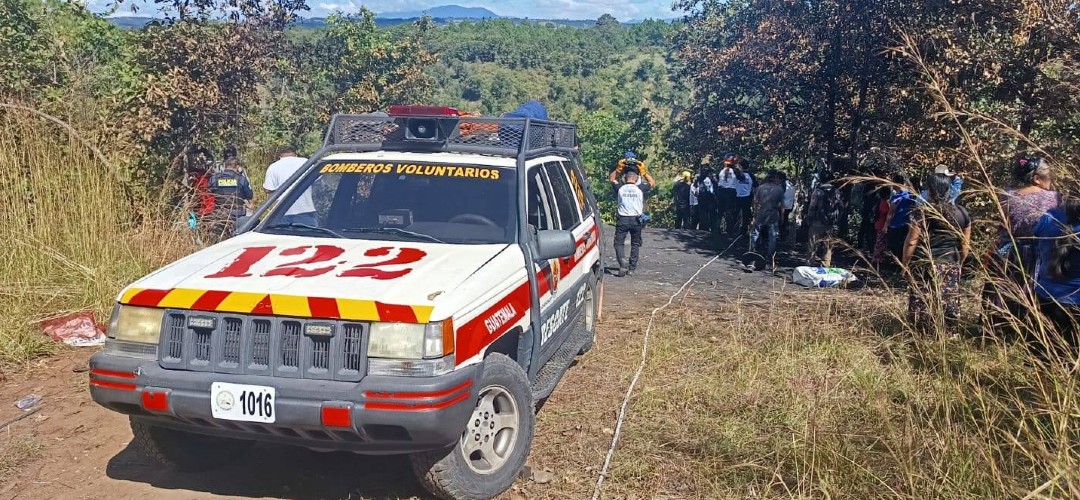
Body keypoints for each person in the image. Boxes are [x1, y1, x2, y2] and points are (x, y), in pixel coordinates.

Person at [902, 173, 972, 333]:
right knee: (948, 301)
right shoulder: (962, 213)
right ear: (949, 189)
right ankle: (949, 334)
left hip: (924, 263)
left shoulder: (922, 212)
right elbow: (965, 245)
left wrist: (905, 264)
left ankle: (920, 335)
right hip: (950, 262)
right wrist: (959, 262)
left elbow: (912, 241)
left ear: (930, 190)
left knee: (922, 300)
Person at [1032, 194, 1080, 356]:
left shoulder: (1049, 216)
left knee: (1045, 354)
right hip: (1075, 301)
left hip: (1046, 295)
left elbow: (1036, 237)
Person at [264, 145, 317, 226]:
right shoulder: (306, 162)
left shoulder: (273, 167)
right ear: (296, 154)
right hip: (306, 210)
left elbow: (269, 190)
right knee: (308, 237)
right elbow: (317, 182)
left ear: (280, 156)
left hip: (281, 213)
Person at [206, 157, 253, 241]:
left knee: (219, 239)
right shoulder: (241, 179)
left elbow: (209, 191)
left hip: (220, 212)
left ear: (224, 166)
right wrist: (250, 204)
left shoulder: (214, 178)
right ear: (237, 167)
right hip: (238, 213)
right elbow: (249, 195)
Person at [614, 170, 651, 277]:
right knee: (635, 244)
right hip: (636, 220)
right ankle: (632, 268)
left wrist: (618, 169)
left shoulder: (620, 187)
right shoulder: (640, 188)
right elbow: (652, 182)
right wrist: (644, 172)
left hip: (623, 219)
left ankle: (622, 261)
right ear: (636, 179)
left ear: (625, 178)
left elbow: (612, 179)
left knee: (619, 243)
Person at [806, 176, 841, 266]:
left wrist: (809, 218)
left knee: (813, 243)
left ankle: (810, 262)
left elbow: (812, 206)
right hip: (830, 223)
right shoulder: (836, 191)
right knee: (828, 245)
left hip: (817, 222)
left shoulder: (818, 191)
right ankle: (826, 263)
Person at [750, 170, 785, 259]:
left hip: (762, 212)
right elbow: (782, 205)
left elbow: (755, 201)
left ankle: (752, 250)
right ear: (775, 178)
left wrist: (755, 211)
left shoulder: (760, 188)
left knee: (755, 232)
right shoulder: (779, 189)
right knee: (772, 235)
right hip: (773, 213)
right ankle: (771, 254)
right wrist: (782, 216)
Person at [884, 173, 917, 266]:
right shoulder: (910, 194)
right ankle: (902, 264)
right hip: (907, 224)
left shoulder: (897, 197)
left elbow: (891, 213)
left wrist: (885, 226)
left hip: (896, 224)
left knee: (894, 246)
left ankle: (896, 265)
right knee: (902, 245)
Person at [716, 153, 740, 234]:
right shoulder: (735, 171)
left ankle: (717, 227)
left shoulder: (721, 171)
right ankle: (729, 229)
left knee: (720, 210)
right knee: (729, 210)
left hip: (721, 191)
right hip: (731, 192)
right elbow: (742, 177)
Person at [871, 187, 892, 267]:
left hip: (878, 224)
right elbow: (887, 213)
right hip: (882, 225)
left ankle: (879, 258)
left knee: (881, 242)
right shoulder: (884, 203)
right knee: (880, 242)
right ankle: (876, 259)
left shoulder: (879, 201)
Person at [733, 163, 754, 235]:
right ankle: (743, 231)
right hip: (747, 197)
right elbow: (755, 187)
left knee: (735, 214)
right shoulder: (750, 175)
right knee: (745, 215)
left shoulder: (735, 175)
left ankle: (733, 229)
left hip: (736, 197)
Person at [780, 171, 796, 240]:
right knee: (785, 219)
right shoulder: (791, 183)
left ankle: (782, 234)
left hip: (783, 205)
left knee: (781, 220)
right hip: (790, 205)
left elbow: (780, 194)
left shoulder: (782, 184)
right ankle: (785, 234)